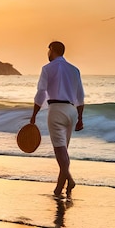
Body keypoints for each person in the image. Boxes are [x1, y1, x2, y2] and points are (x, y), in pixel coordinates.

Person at [30, 41, 84, 199]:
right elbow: (80, 97)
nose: (47, 54)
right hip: (72, 111)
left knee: (60, 152)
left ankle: (70, 180)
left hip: (56, 111)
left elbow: (41, 93)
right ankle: (58, 190)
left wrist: (33, 114)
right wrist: (80, 118)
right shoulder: (75, 70)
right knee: (64, 153)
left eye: (48, 50)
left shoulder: (47, 69)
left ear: (52, 50)